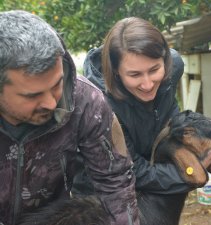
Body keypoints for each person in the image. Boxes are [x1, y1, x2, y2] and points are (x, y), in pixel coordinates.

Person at [0, 10, 139, 225]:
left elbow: (115, 181)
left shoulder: (86, 101)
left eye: (57, 84)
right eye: (33, 95)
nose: (51, 103)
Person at [83, 17, 211, 195]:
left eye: (154, 70)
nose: (148, 85)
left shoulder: (174, 67)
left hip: (150, 169)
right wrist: (188, 173)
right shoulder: (99, 104)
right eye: (135, 75)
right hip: (103, 190)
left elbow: (169, 115)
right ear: (115, 71)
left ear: (165, 60)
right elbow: (131, 170)